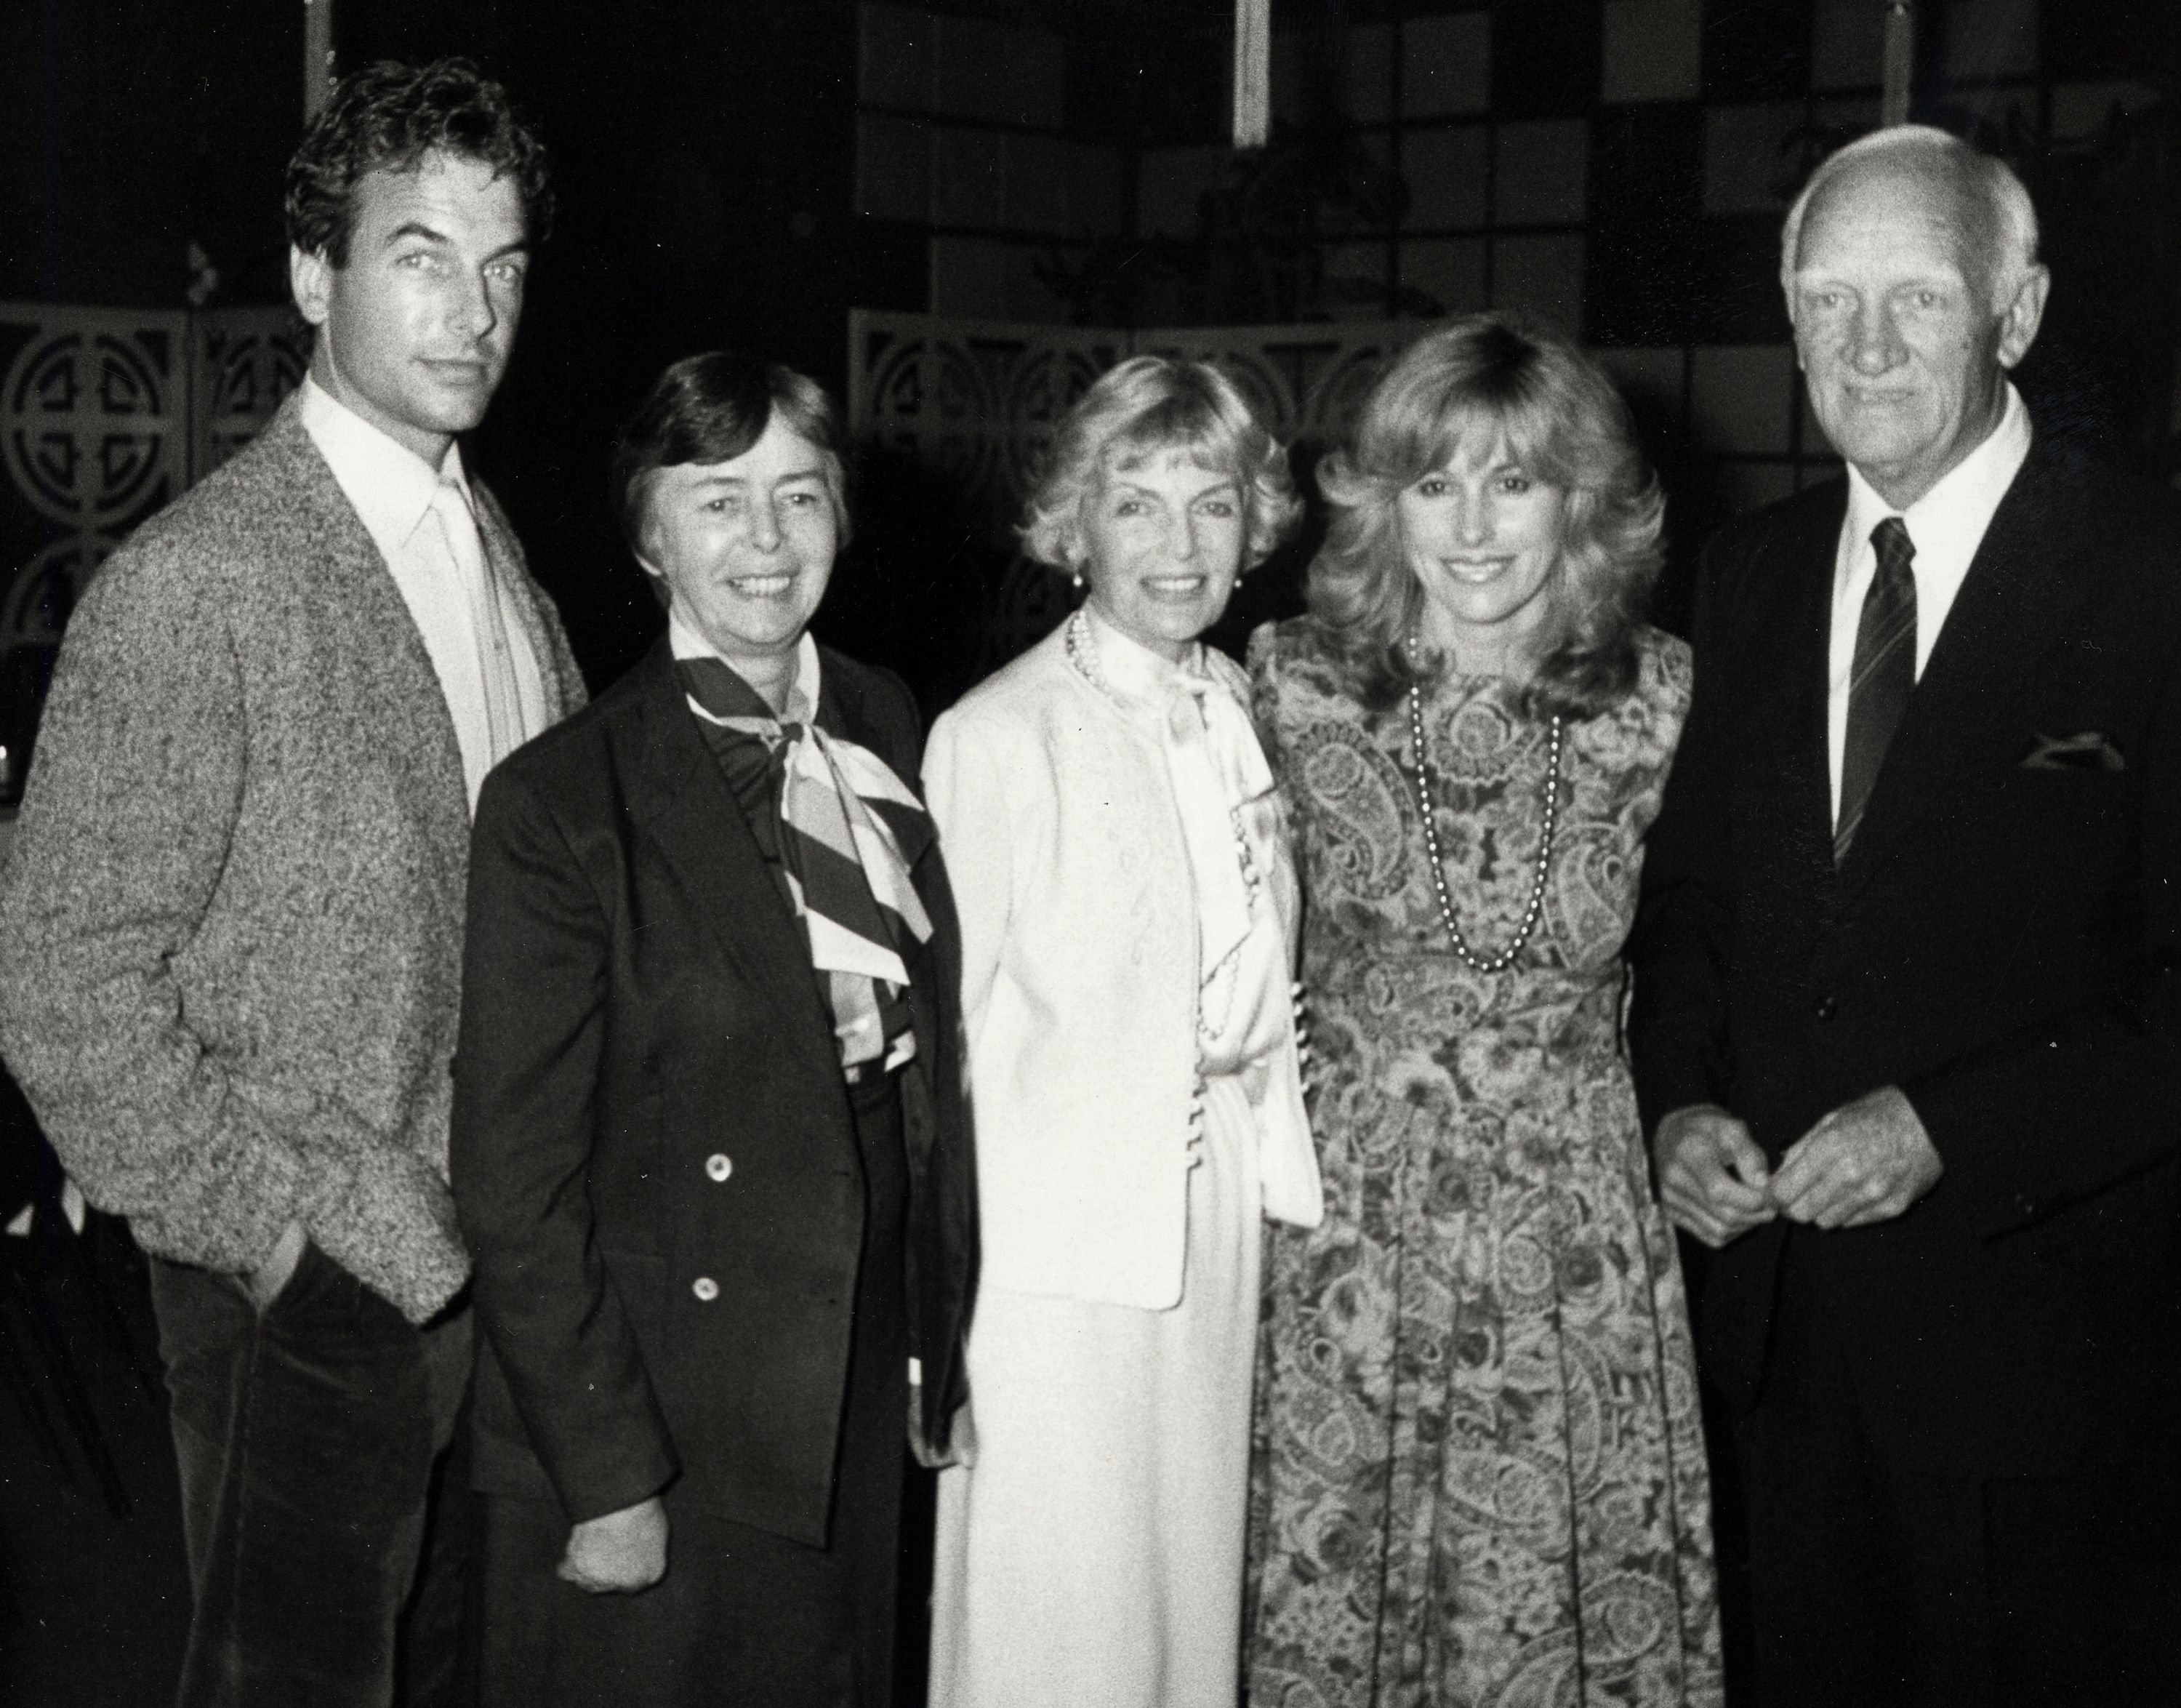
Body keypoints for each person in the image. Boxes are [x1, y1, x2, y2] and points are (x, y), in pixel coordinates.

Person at [0, 58, 580, 1707]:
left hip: (489, 1280)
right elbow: (56, 975)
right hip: (308, 1293)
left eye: (506, 266)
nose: (475, 309)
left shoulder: (495, 557)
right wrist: (277, 1243)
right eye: (422, 255)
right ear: (316, 274)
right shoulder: (202, 580)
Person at [1630, 124, 2181, 1707]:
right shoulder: (1743, 575)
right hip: (1774, 1354)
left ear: (2017, 313)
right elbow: (1692, 909)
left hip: (2051, 1381)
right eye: (1825, 297)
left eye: (1918, 299)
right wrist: (1677, 1101)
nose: (1864, 346)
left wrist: (1951, 1123)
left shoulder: (2152, 576)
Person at [450, 352, 976, 1708]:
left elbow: (924, 1086)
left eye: (799, 497)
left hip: (844, 1379)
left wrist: (933, 1337)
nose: (766, 543)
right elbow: (513, 1185)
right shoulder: (562, 803)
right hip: (667, 1411)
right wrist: (610, 1476)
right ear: (647, 533)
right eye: (719, 501)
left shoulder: (882, 718)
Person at [1248, 314, 1723, 1707]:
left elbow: (1715, 941)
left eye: (1513, 481)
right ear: (1381, 497)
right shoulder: (1286, 681)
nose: (1471, 526)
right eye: (1434, 482)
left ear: (1581, 499)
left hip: (1570, 1228)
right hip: (1346, 1224)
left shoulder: (1663, 695)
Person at [922, 356, 1322, 1708]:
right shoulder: (998, 731)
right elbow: (947, 1056)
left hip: (1212, 1214)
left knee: (1182, 1605)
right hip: (1053, 1255)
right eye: (1137, 506)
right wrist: (942, 1315)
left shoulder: (1245, 706)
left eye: (1213, 506)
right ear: (1074, 525)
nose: (1178, 544)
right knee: (1063, 1619)